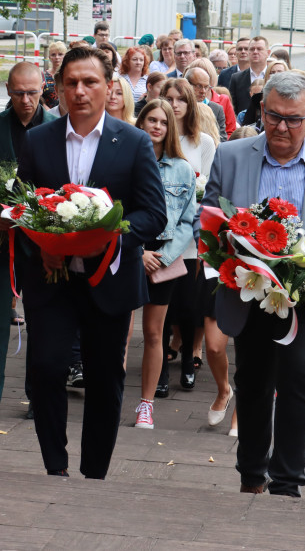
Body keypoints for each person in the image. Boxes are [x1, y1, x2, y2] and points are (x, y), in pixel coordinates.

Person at [202, 70, 305, 496]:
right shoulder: (231, 155)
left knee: (300, 381)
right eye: (274, 116)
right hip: (248, 293)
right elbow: (208, 220)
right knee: (254, 384)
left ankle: (288, 481)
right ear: (261, 110)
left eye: (294, 119)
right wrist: (229, 253)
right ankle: (251, 475)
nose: (282, 127)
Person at [16, 45, 166, 479]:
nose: (80, 91)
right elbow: (20, 207)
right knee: (45, 370)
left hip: (110, 281)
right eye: (71, 83)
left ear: (108, 86)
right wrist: (40, 243)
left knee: (104, 380)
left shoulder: (134, 141)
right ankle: (55, 467)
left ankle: (95, 473)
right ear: (60, 89)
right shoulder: (38, 139)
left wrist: (106, 235)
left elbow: (153, 215)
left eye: (90, 82)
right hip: (51, 280)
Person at [0, 62, 57, 417]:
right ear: (7, 90)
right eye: (19, 93)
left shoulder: (57, 128)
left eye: (33, 92)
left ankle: (37, 400)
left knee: (41, 324)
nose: (26, 100)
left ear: (44, 89)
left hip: (41, 244)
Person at [132, 99, 196, 429]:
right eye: (151, 120)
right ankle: (108, 393)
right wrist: (137, 251)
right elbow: (114, 210)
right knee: (117, 330)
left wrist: (166, 256)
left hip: (164, 257)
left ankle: (146, 405)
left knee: (155, 333)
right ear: (140, 123)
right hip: (129, 252)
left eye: (163, 122)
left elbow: (188, 219)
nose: (157, 126)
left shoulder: (182, 169)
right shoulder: (125, 162)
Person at [157, 78, 216, 398]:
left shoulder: (203, 142)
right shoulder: (154, 137)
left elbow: (208, 189)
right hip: (161, 236)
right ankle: (163, 370)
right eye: (169, 98)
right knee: (162, 307)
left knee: (190, 304)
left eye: (181, 99)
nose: (175, 104)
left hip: (192, 236)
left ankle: (189, 365)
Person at [187, 59, 235, 139]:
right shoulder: (180, 105)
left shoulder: (218, 106)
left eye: (206, 86)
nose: (203, 91)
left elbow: (228, 132)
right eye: (198, 86)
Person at [229, 36, 269, 114]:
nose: (255, 52)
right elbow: (232, 108)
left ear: (268, 52)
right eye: (251, 49)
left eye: (259, 49)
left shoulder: (274, 77)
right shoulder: (236, 78)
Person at [42, 41, 67, 109]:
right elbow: (39, 98)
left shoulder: (70, 75)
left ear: (65, 56)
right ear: (49, 57)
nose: (57, 57)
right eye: (53, 55)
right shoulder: (42, 76)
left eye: (60, 54)